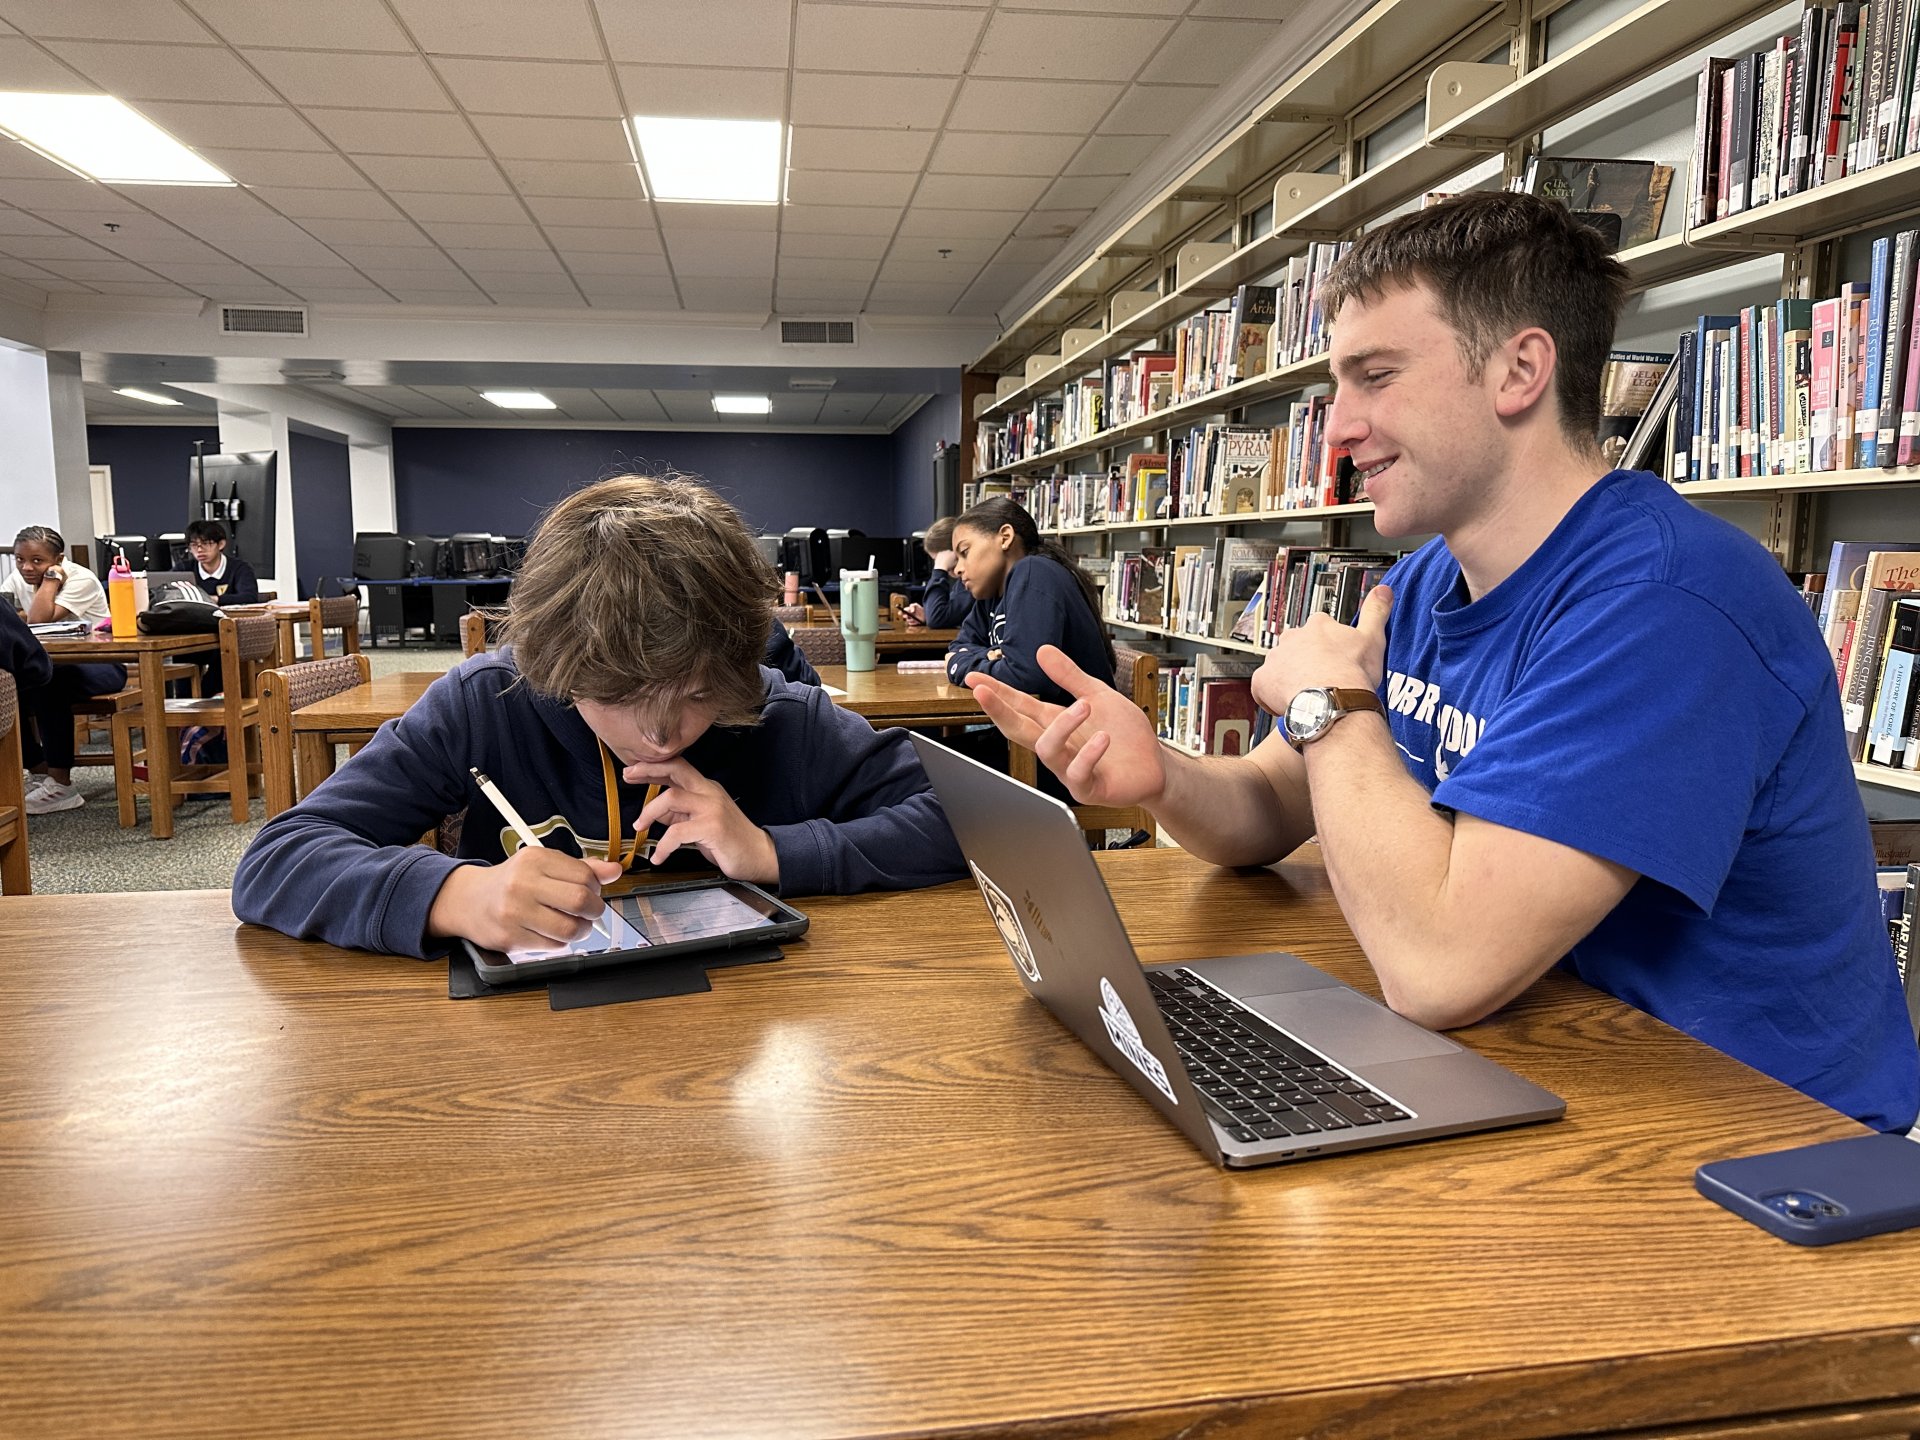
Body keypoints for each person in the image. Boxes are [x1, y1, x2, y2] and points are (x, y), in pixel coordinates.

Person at [963, 191, 1920, 1134]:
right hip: (1547, 1066)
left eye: (1374, 377)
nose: (1336, 429)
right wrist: (1161, 774)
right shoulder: (1425, 582)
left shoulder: (1667, 602)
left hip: (1759, 1147)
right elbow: (1266, 805)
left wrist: (1333, 703)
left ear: (1519, 371)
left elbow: (1438, 969)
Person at [233, 473, 968, 959]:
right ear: (553, 664)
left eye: (697, 693)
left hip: (751, 1038)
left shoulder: (782, 716)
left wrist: (770, 852)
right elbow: (276, 860)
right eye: (617, 695)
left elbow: (966, 821)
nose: (661, 733)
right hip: (530, 1061)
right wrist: (456, 895)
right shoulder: (486, 703)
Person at [2, 526, 123, 814]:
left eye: (37, 561)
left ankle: (61, 783)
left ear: (58, 559)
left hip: (104, 665)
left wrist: (51, 580)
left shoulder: (80, 578)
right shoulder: (18, 578)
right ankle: (39, 769)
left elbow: (38, 620)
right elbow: (7, 617)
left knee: (49, 681)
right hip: (51, 663)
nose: (26, 568)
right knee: (8, 684)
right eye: (20, 560)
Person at [901, 517, 974, 628]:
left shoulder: (973, 580)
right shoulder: (961, 583)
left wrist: (940, 569)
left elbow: (937, 619)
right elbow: (944, 615)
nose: (955, 571)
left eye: (949, 565)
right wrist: (926, 614)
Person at [184, 519, 259, 605]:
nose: (199, 550)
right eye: (194, 545)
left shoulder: (240, 568)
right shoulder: (184, 569)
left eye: (206, 543)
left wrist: (213, 599)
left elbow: (249, 597)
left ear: (221, 544)